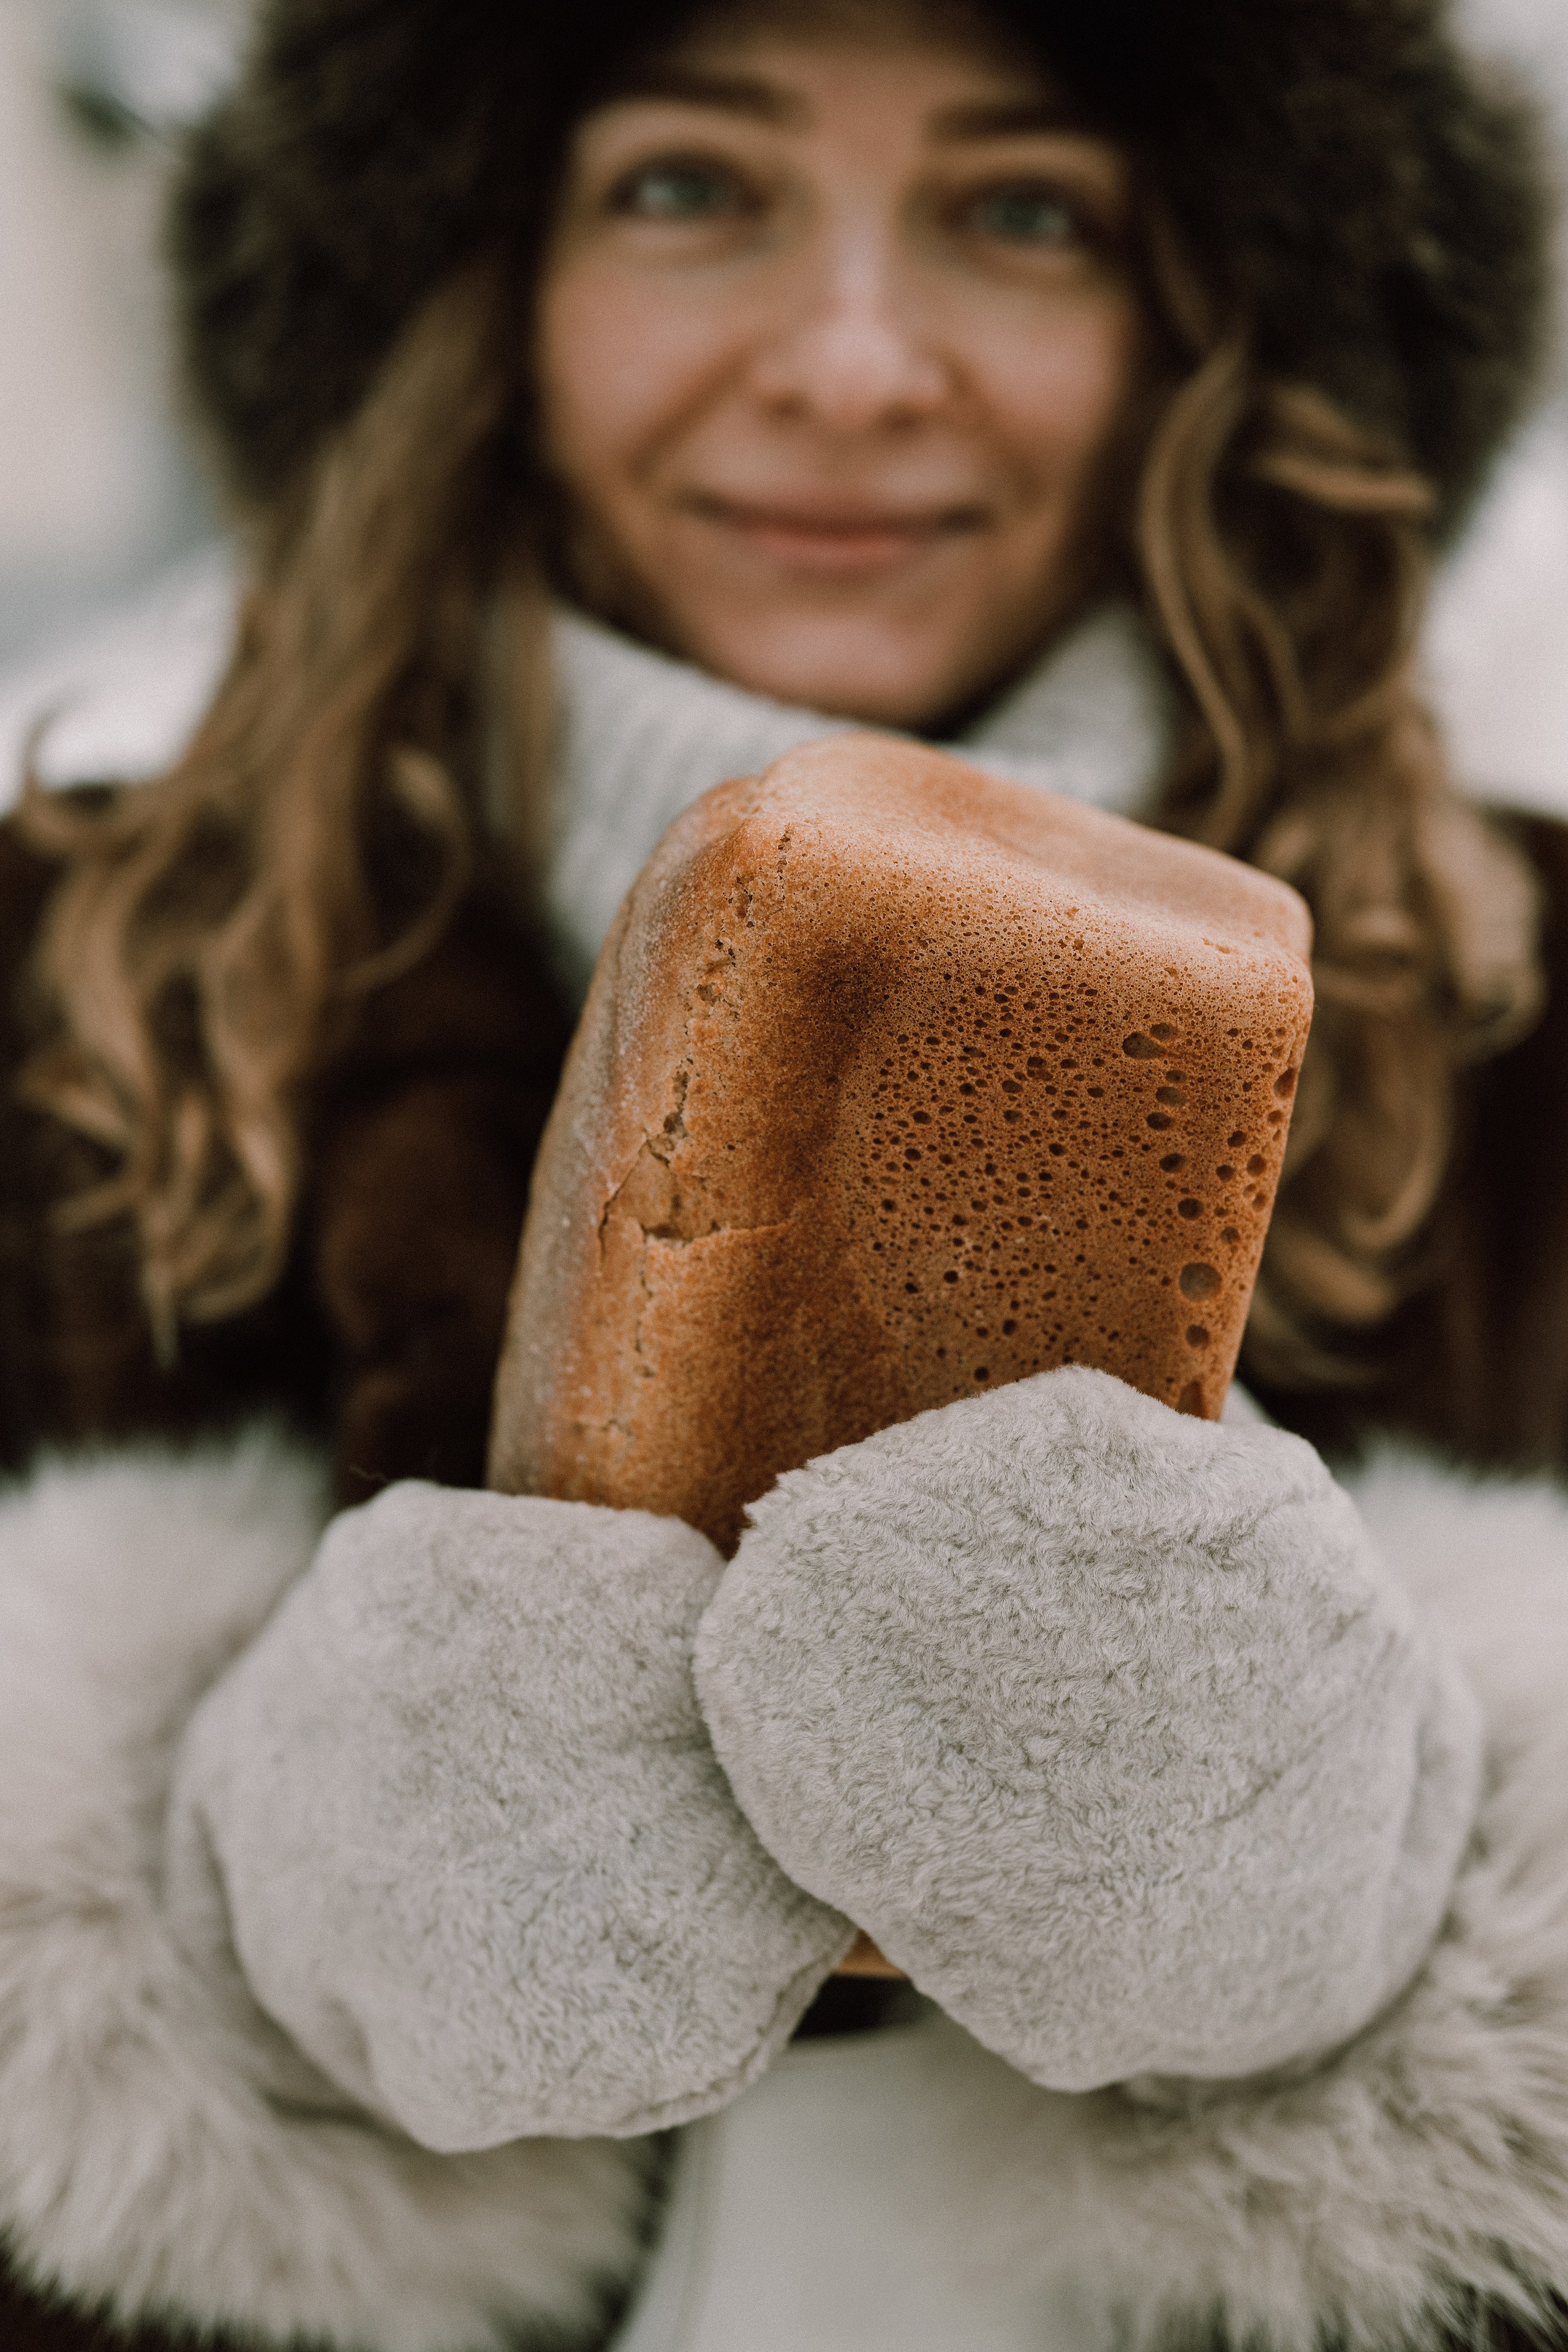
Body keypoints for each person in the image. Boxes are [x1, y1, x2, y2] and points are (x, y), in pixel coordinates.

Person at [1, 1, 1565, 2347]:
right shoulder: (57, 984)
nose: (852, 364)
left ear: (1206, 326)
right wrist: (193, 1923)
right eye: (688, 189)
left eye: (1023, 213)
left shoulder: (1533, 1009)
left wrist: (1407, 1904)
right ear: (480, 291)